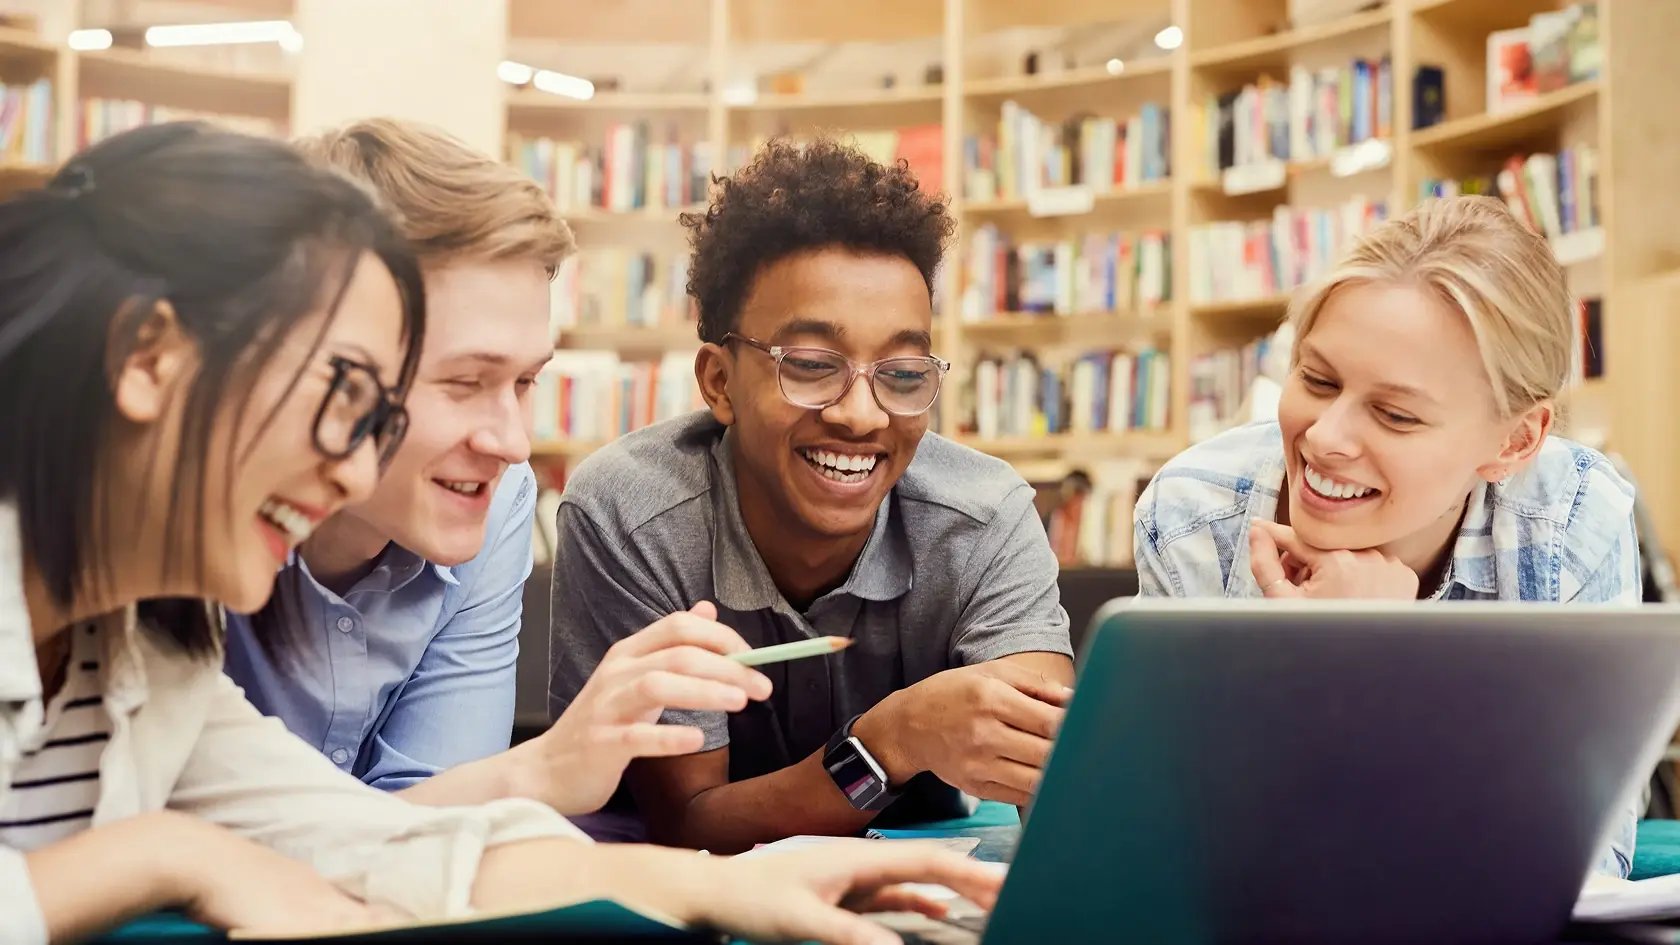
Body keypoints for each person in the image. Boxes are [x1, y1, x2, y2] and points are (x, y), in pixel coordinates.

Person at [0, 121, 1003, 945]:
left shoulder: (148, 653)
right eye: (345, 392)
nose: (352, 464)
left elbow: (369, 839)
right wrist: (165, 853)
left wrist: (726, 891)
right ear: (148, 359)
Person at [226, 118, 772, 817]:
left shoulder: (498, 497)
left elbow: (427, 829)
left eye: (524, 382)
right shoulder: (192, 528)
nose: (514, 444)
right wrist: (538, 771)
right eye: (463, 382)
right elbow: (178, 840)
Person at [548, 137, 1076, 854]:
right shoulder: (631, 515)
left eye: (902, 371)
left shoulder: (984, 516)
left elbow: (1056, 790)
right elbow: (690, 823)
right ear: (719, 382)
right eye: (810, 364)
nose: (861, 415)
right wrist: (894, 737)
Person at [1132, 194, 1642, 877]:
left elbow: (1582, 863)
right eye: (1316, 378)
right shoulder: (1195, 515)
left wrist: (1387, 667)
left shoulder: (1575, 521)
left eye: (1396, 414)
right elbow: (1187, 848)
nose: (1325, 436)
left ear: (1516, 440)